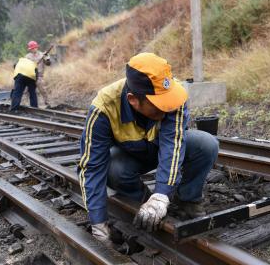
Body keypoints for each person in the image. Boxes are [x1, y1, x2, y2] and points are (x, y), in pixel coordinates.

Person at [78, 53, 219, 244]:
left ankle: (187, 200)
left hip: (162, 148)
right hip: (131, 155)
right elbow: (92, 166)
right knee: (114, 168)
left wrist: (161, 195)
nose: (167, 109)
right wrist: (98, 221)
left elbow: (173, 146)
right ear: (133, 100)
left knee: (206, 144)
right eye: (159, 106)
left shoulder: (172, 97)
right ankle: (142, 202)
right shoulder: (104, 108)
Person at [25, 41, 51, 107]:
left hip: (39, 76)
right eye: (32, 49)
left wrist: (47, 58)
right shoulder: (27, 57)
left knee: (43, 90)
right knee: (29, 91)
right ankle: (27, 104)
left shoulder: (42, 55)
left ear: (37, 47)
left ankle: (47, 103)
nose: (33, 49)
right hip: (30, 76)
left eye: (34, 48)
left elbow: (48, 64)